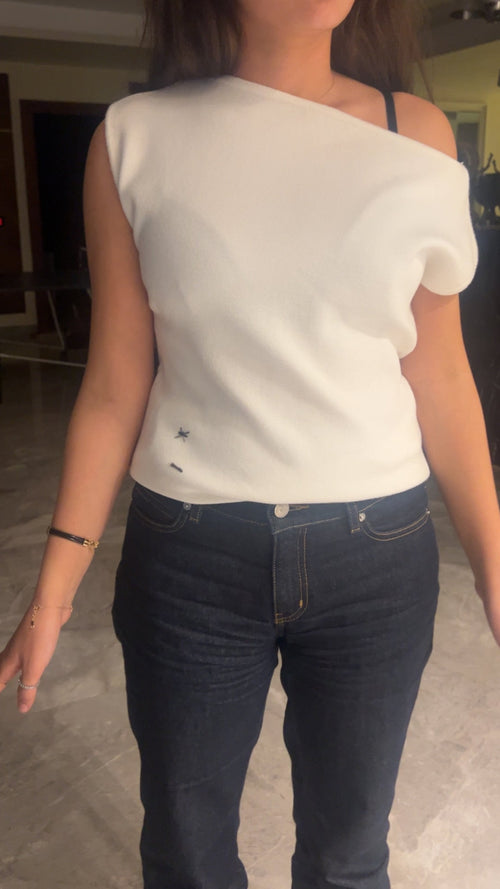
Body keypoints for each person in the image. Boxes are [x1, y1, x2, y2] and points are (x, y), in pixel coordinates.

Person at [1, 1, 499, 887]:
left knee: (349, 858)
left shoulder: (416, 135)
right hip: (191, 558)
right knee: (187, 857)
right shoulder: (134, 139)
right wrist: (53, 591)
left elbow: (443, 375)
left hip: (377, 560)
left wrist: (495, 566)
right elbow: (114, 384)